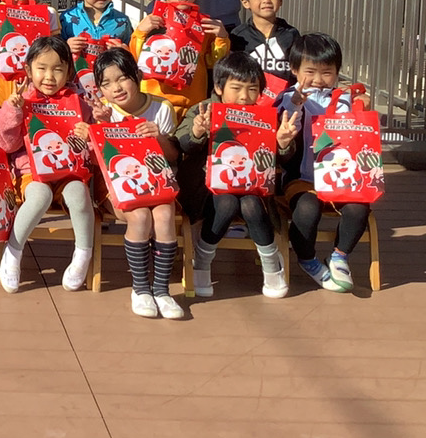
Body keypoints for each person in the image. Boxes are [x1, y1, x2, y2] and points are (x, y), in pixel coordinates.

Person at [175, 52, 298, 299]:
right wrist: (198, 131)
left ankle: (271, 263)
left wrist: (283, 143)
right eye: (237, 88)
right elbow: (182, 145)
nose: (244, 96)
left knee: (251, 204)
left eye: (253, 89)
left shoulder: (264, 116)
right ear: (219, 88)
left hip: (254, 190)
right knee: (228, 201)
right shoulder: (203, 110)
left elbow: (281, 160)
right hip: (206, 192)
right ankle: (202, 260)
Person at [0, 36, 95, 294]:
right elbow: (7, 145)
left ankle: (83, 254)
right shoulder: (22, 101)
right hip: (32, 173)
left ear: (68, 72)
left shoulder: (80, 104)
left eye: (58, 69)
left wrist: (90, 135)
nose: (49, 76)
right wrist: (13, 112)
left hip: (68, 172)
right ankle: (13, 251)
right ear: (28, 70)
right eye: (42, 68)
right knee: (39, 196)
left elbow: (94, 152)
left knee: (79, 194)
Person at [274, 34, 371, 293]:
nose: (318, 79)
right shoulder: (289, 99)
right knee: (307, 211)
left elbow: (361, 136)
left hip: (342, 177)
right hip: (302, 178)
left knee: (359, 207)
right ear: (294, 70)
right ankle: (307, 259)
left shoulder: (344, 99)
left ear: (338, 72)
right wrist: (295, 105)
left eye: (327, 72)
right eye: (310, 72)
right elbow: (288, 113)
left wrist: (363, 111)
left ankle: (339, 256)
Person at [91, 48, 182, 319]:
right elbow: (99, 163)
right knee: (140, 217)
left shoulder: (161, 108)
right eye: (105, 84)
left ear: (137, 76)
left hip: (157, 184)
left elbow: (174, 157)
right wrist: (103, 128)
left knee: (165, 214)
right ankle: (141, 289)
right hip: (117, 187)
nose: (115, 88)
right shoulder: (103, 112)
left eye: (121, 78)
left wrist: (160, 138)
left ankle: (162, 290)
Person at [129, 0, 230, 123]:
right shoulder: (153, 21)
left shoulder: (205, 25)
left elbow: (216, 63)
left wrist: (222, 38)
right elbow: (136, 56)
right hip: (155, 102)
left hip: (193, 103)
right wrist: (140, 32)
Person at [229, 0, 299, 84]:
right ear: (245, 2)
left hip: (285, 98)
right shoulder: (238, 36)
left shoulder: (291, 34)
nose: (266, 0)